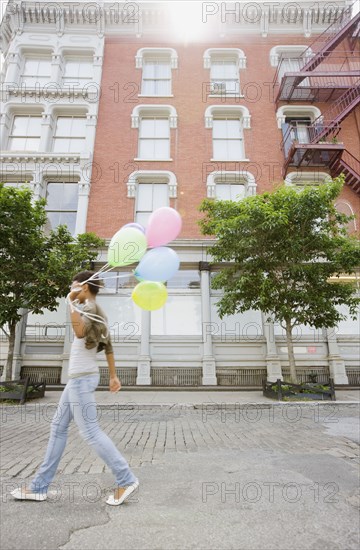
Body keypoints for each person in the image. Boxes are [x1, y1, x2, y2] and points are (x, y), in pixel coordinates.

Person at [11, 270, 139, 506]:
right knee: (58, 427)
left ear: (85, 287)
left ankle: (126, 478)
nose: (71, 290)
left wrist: (70, 302)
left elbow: (79, 332)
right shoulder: (94, 309)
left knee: (90, 431)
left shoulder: (89, 308)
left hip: (81, 380)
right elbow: (108, 347)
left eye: (74, 286)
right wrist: (113, 376)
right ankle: (39, 487)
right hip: (78, 379)